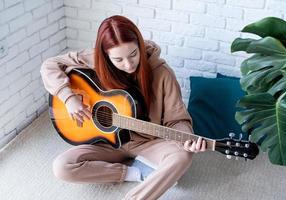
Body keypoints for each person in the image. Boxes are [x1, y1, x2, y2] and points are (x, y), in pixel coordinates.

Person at [40, 15, 206, 200]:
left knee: (182, 156)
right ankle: (133, 172)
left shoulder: (162, 73)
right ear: (105, 56)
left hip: (148, 142)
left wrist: (186, 136)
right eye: (118, 60)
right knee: (62, 167)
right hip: (107, 142)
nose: (128, 64)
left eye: (133, 54)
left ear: (140, 46)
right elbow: (50, 65)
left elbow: (177, 119)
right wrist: (68, 97)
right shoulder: (92, 59)